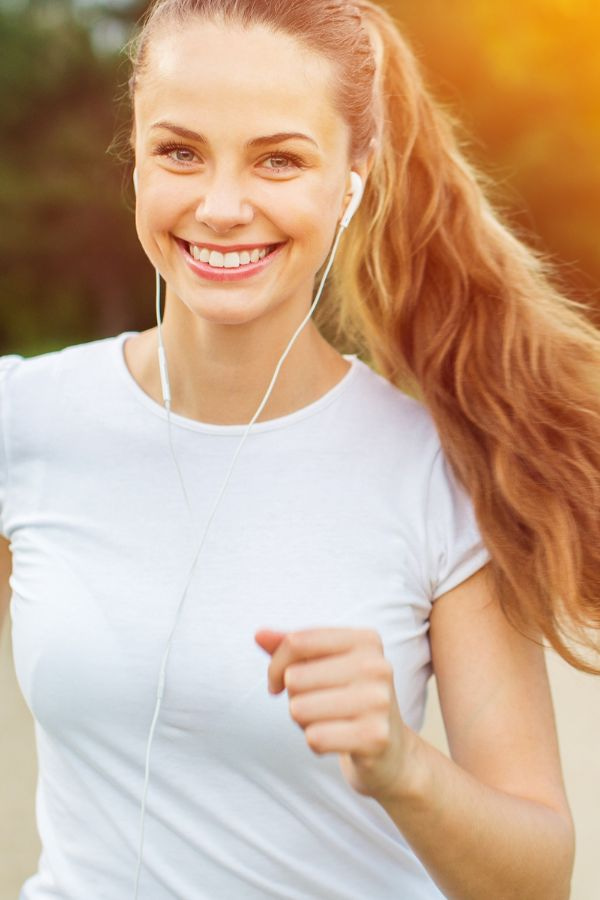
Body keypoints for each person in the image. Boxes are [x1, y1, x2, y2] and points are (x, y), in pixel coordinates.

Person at [1, 0, 598, 897]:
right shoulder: (24, 421)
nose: (223, 206)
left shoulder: (435, 468)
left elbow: (537, 876)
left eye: (279, 159)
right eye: (180, 152)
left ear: (352, 180)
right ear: (133, 159)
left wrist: (404, 766)